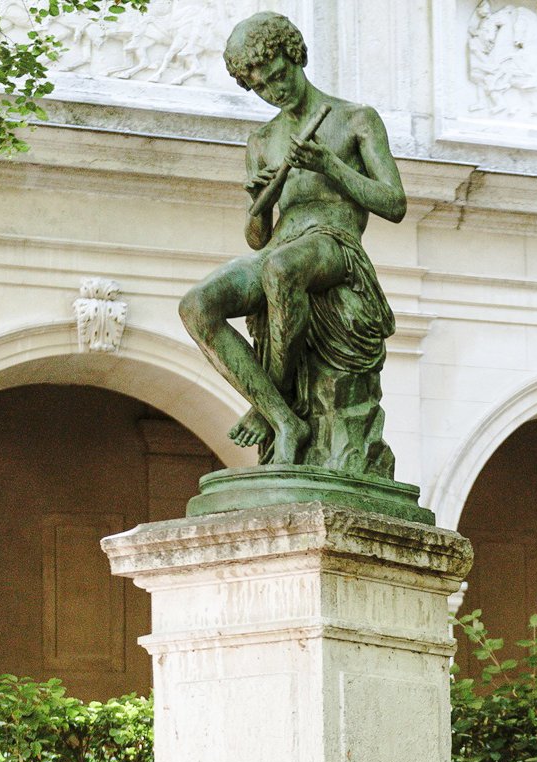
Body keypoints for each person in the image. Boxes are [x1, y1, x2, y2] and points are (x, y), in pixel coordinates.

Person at [178, 12, 405, 466]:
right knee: (197, 304)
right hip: (284, 244)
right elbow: (257, 239)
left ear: (295, 55)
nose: (274, 90)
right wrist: (261, 200)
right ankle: (282, 417)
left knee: (283, 272)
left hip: (335, 244)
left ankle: (272, 395)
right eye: (261, 87)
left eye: (279, 76)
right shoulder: (262, 140)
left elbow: (394, 203)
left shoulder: (355, 119)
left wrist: (329, 166)